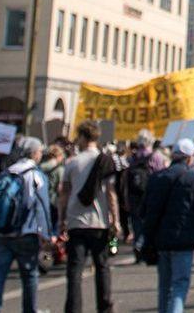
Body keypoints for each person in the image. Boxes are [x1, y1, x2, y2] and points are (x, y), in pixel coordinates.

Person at [145, 139, 194, 313]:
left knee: (164, 287)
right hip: (184, 238)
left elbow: (146, 210)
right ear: (189, 158)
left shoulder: (157, 178)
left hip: (161, 239)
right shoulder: (192, 178)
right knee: (179, 285)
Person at [0, 136, 53, 313]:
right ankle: (29, 310)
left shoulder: (7, 172)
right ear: (34, 153)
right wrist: (47, 235)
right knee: (30, 275)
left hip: (3, 232)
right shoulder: (35, 175)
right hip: (26, 231)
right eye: (39, 151)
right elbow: (42, 208)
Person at [59, 123, 118, 313]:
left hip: (76, 221)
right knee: (102, 267)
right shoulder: (105, 161)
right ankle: (104, 307)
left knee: (75, 270)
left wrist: (62, 219)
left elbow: (64, 194)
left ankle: (73, 309)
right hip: (99, 222)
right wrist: (115, 220)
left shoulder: (72, 162)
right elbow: (111, 193)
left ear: (83, 137)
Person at [118, 134, 156, 245]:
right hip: (150, 194)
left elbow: (125, 179)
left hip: (133, 195)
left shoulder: (131, 158)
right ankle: (147, 245)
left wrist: (125, 198)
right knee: (148, 220)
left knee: (136, 221)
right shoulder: (154, 157)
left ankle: (138, 245)